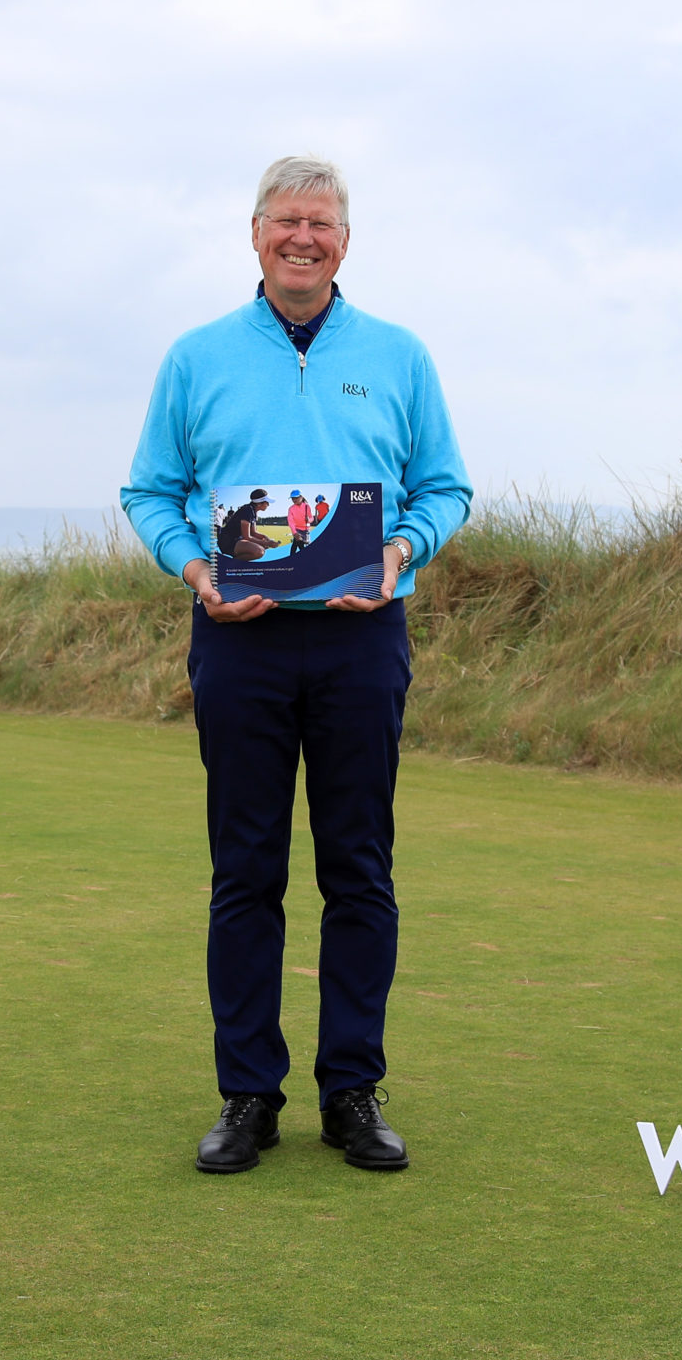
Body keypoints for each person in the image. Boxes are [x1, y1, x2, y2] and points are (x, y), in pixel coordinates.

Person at [123, 155, 472, 1173]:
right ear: (255, 233)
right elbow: (149, 491)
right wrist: (197, 570)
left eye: (320, 223)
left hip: (363, 637)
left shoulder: (399, 355)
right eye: (286, 221)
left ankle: (351, 1091)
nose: (302, 238)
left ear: (344, 242)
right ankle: (248, 1095)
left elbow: (444, 488)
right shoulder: (197, 357)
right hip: (240, 640)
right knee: (246, 872)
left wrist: (400, 552)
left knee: (359, 869)